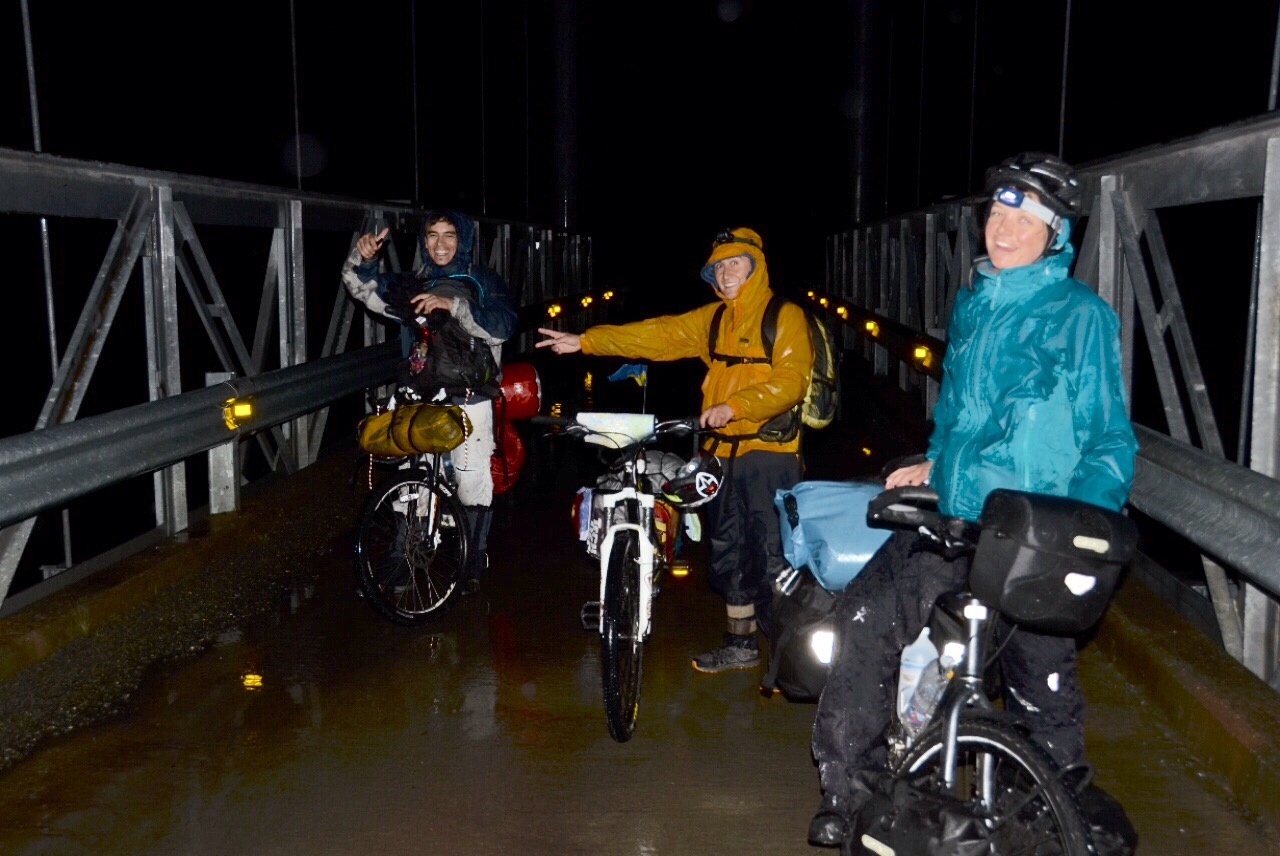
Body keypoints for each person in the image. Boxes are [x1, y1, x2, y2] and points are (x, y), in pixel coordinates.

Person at [806, 152, 1139, 847]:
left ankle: (1057, 818)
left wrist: (1086, 524)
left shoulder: (1081, 317)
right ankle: (853, 795)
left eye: (1023, 218)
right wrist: (934, 459)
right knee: (864, 620)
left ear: (1054, 234)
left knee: (1042, 694)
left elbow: (1108, 437)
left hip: (1033, 530)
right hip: (956, 515)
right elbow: (960, 417)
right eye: (995, 212)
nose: (1002, 227)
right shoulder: (975, 305)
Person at [536, 227, 815, 673]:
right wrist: (587, 341)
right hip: (718, 453)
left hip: (770, 452)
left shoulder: (785, 316)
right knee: (727, 549)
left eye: (734, 264)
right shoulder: (714, 319)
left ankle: (788, 651)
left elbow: (792, 380)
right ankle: (740, 644)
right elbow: (658, 336)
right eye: (718, 267)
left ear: (756, 267)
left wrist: (736, 405)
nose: (725, 274)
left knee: (772, 551)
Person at [342, 209, 518, 593]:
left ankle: (471, 560)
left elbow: (502, 327)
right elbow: (364, 290)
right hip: (418, 397)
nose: (440, 244)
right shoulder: (414, 282)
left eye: (449, 235)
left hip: (469, 398)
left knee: (472, 480)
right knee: (412, 486)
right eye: (432, 235)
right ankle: (401, 560)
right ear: (423, 241)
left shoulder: (482, 280)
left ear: (464, 239)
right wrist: (364, 260)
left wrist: (451, 305)